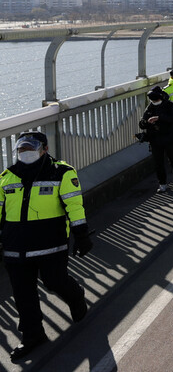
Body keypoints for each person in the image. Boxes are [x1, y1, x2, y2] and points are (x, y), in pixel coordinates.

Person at [0, 131, 92, 361]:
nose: (25, 152)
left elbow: (74, 205)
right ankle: (32, 335)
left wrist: (81, 235)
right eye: (21, 149)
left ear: (45, 149)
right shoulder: (7, 176)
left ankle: (76, 296)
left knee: (55, 281)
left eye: (30, 148)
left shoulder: (62, 172)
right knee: (23, 293)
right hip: (16, 246)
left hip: (51, 243)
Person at [140, 85, 173, 192]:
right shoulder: (150, 108)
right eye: (152, 100)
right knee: (158, 163)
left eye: (156, 99)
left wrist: (159, 118)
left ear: (162, 97)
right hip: (155, 139)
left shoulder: (172, 105)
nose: (154, 101)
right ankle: (162, 183)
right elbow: (142, 124)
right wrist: (145, 122)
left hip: (170, 138)